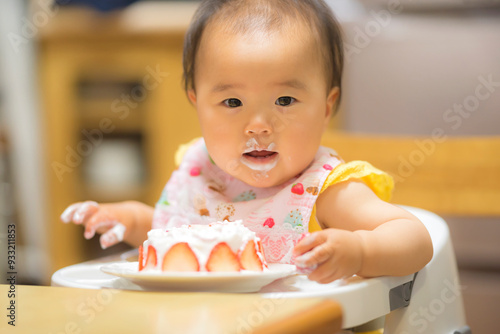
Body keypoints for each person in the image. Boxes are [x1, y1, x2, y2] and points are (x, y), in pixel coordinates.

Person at [61, 0, 433, 283]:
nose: (258, 127)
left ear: (326, 107)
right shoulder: (200, 169)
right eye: (232, 102)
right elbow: (172, 231)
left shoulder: (325, 190)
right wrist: (127, 219)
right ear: (197, 103)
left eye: (285, 101)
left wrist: (360, 251)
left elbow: (415, 238)